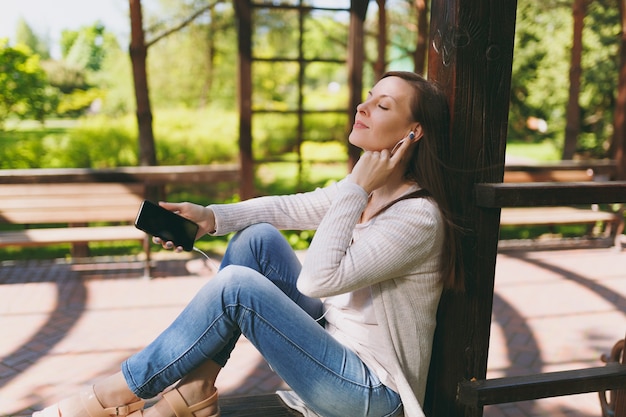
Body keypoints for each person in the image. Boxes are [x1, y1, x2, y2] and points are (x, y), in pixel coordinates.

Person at [32, 71, 463, 417]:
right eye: (368, 96)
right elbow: (289, 208)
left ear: (414, 132)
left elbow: (317, 280)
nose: (362, 106)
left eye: (382, 105)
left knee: (236, 286)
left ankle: (114, 393)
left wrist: (354, 188)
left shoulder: (416, 216)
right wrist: (210, 219)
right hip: (330, 352)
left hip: (369, 396)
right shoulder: (369, 191)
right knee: (256, 240)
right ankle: (196, 390)